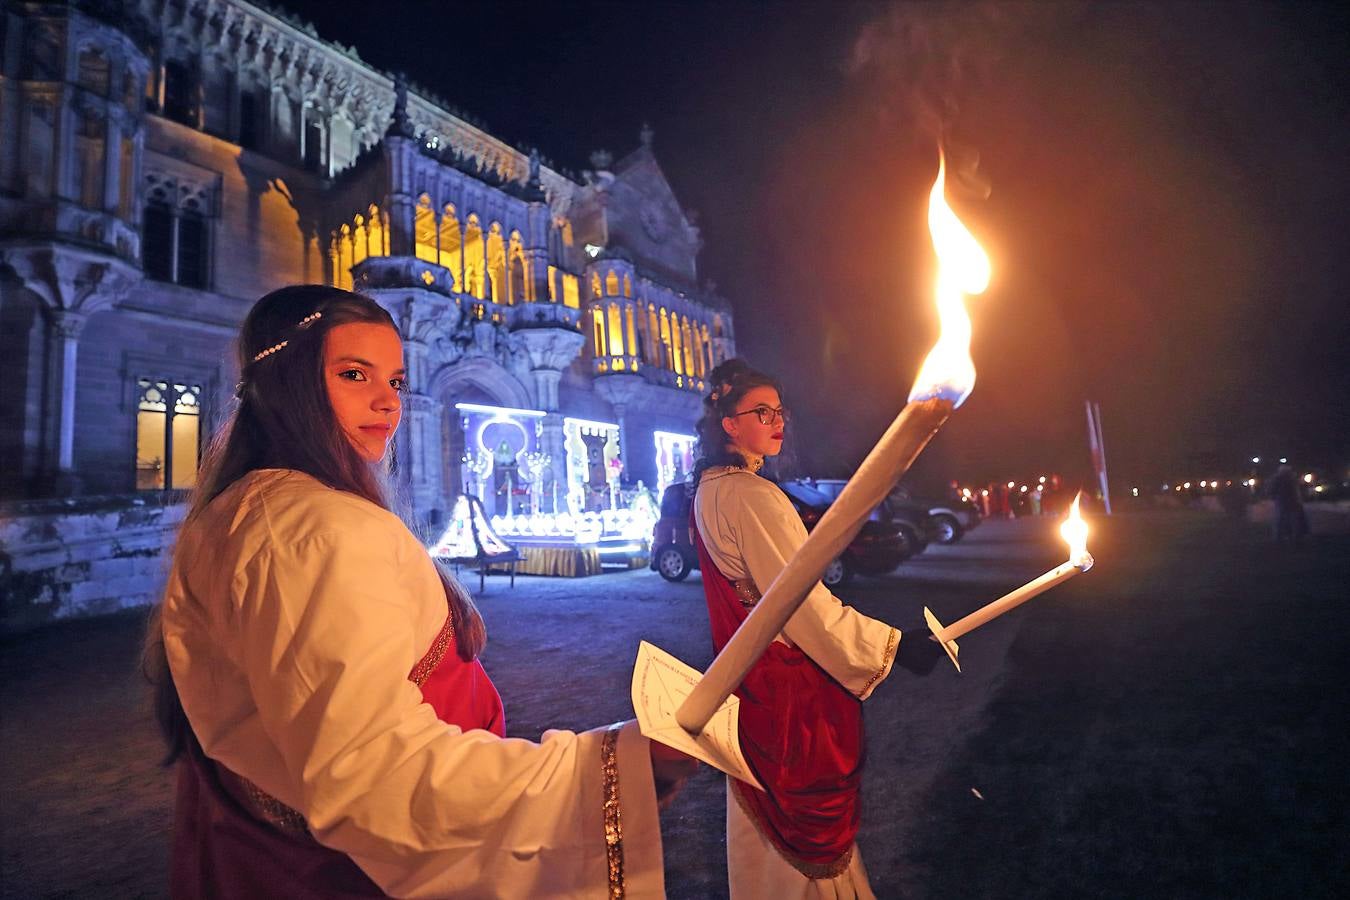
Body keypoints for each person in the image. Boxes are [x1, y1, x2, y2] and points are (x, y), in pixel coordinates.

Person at [143, 285, 694, 898]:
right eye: (354, 374)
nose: (388, 403)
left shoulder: (250, 510)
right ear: (288, 383)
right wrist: (610, 771)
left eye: (398, 382)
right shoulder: (314, 529)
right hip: (342, 876)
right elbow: (375, 772)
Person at [689, 359, 943, 899]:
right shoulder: (751, 495)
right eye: (761, 412)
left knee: (762, 836)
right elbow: (799, 604)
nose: (776, 421)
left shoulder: (711, 489)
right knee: (802, 850)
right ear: (728, 423)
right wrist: (892, 647)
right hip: (784, 694)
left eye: (779, 411)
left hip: (749, 687)